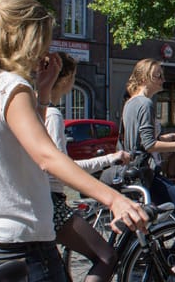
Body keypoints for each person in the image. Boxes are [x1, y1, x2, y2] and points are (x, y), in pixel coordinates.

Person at [0, 0, 147, 282]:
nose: (46, 47)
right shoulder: (13, 87)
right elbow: (46, 155)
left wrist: (42, 95)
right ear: (27, 36)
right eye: (44, 37)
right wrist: (114, 199)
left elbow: (16, 147)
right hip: (19, 243)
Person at [44, 52, 129, 282]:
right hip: (49, 203)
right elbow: (61, 168)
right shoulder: (51, 114)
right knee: (106, 257)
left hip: (29, 202)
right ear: (66, 78)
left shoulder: (29, 109)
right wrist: (110, 159)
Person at [120, 58, 175, 273]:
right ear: (146, 77)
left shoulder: (130, 103)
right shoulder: (145, 103)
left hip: (134, 172)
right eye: (159, 75)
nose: (163, 79)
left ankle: (162, 259)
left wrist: (169, 137)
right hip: (147, 172)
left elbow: (137, 141)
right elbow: (148, 145)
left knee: (166, 218)